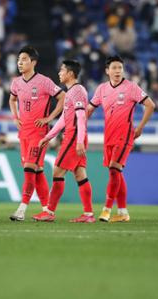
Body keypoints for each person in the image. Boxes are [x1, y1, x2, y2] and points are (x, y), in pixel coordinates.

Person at [87, 56, 155, 223]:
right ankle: (123, 212)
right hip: (108, 137)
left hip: (124, 136)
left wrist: (140, 127)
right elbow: (89, 109)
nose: (117, 71)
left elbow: (150, 105)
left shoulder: (131, 87)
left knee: (113, 169)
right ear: (107, 71)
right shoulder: (102, 89)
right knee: (117, 173)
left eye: (120, 68)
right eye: (114, 68)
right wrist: (79, 125)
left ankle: (106, 209)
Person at [8, 45, 65, 221]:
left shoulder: (44, 81)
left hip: (39, 134)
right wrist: (15, 117)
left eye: (24, 59)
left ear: (33, 62)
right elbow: (12, 99)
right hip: (23, 132)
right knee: (38, 171)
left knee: (29, 170)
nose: (20, 63)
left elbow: (62, 97)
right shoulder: (16, 82)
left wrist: (49, 118)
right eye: (18, 60)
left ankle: (21, 209)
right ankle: (47, 210)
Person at [34, 60, 94, 223]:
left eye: (62, 70)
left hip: (74, 137)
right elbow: (63, 119)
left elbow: (81, 117)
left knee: (57, 171)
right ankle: (88, 214)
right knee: (80, 174)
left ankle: (49, 212)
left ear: (70, 73)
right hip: (74, 136)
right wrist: (48, 137)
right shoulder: (71, 92)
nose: (59, 73)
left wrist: (79, 141)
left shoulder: (77, 91)